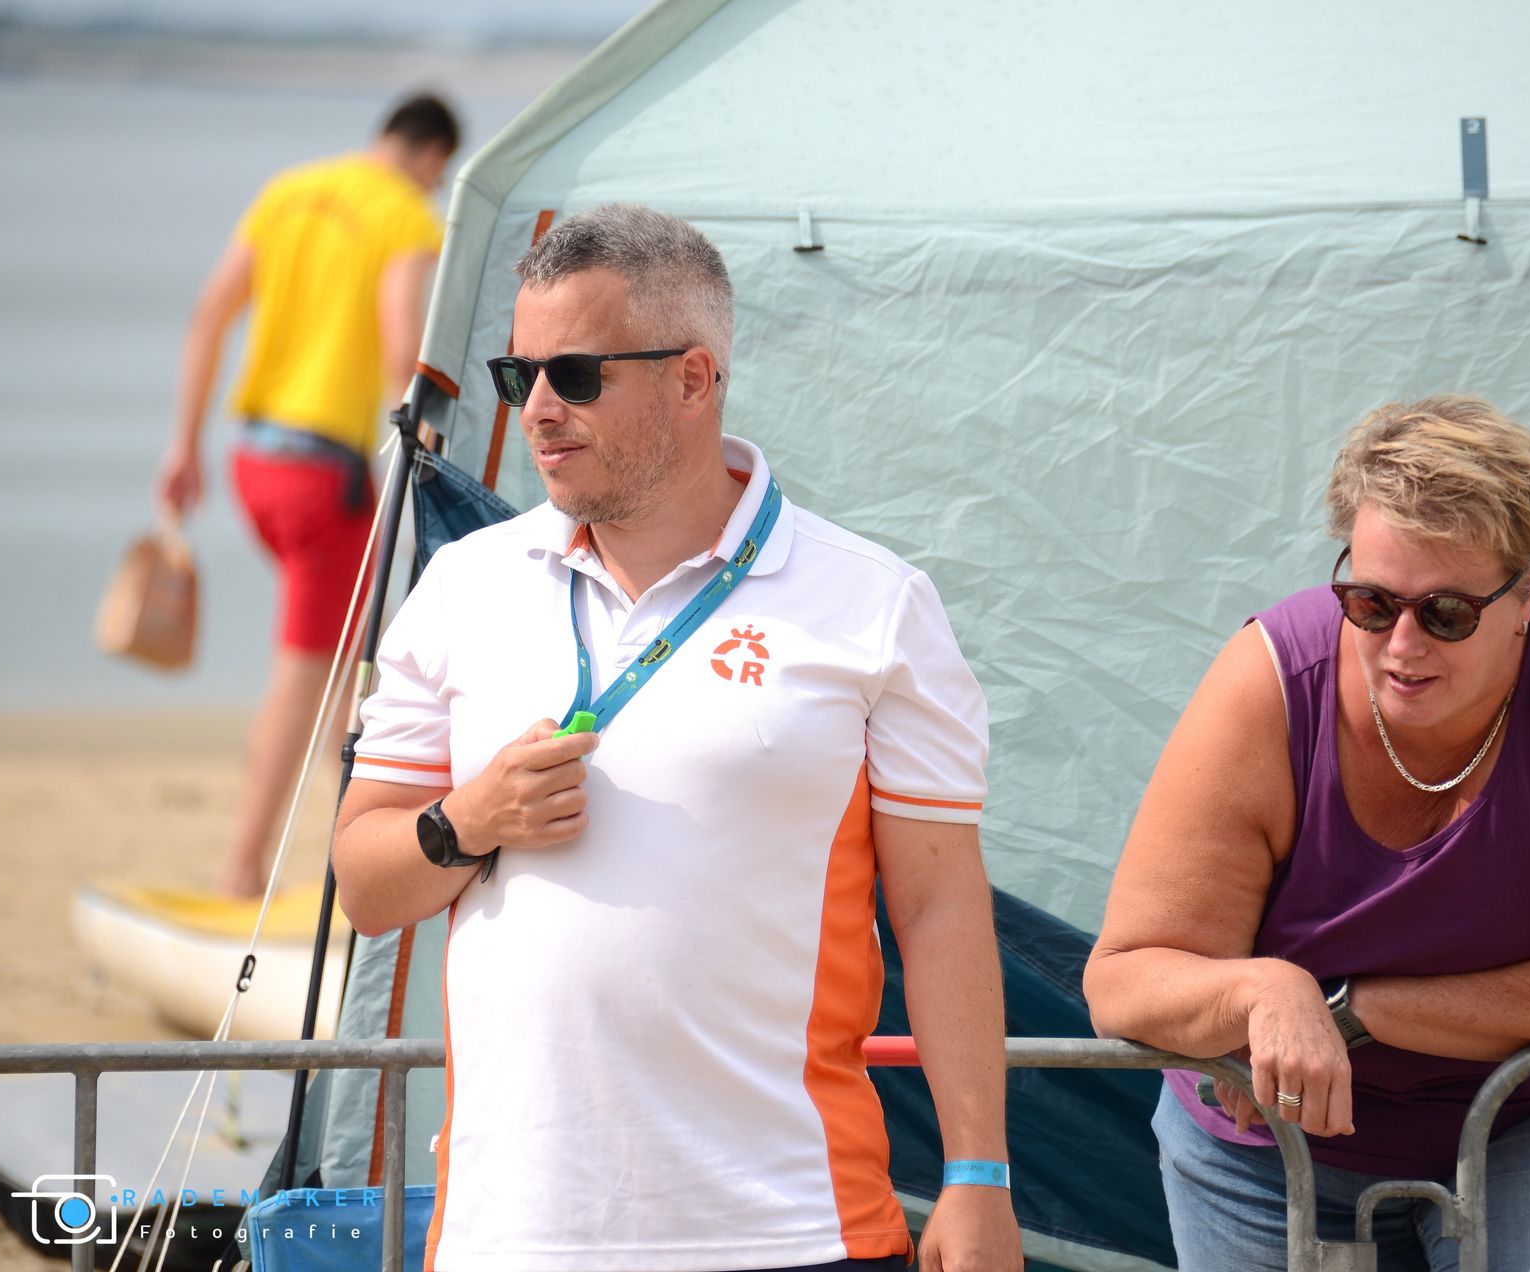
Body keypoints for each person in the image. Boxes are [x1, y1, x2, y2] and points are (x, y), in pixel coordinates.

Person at [331, 204, 1023, 1272]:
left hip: (792, 1229)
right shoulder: (463, 585)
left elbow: (938, 907)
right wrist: (466, 821)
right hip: (511, 1236)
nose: (538, 411)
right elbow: (367, 888)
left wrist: (978, 1174)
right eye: (518, 376)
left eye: (575, 375)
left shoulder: (874, 604)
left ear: (694, 379)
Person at [1085, 398, 1530, 1270]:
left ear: (1528, 590)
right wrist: (1261, 996)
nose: (1401, 644)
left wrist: (1348, 1014)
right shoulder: (1271, 681)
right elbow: (1124, 978)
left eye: (1446, 613)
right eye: (1370, 601)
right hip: (1269, 1139)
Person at [154, 91, 458, 897]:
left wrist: (182, 445)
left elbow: (207, 316)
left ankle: (354, 848)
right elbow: (402, 343)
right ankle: (242, 871)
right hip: (324, 479)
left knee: (347, 665)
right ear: (433, 158)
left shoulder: (287, 190)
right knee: (308, 675)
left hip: (252, 458)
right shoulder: (406, 215)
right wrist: (428, 448)